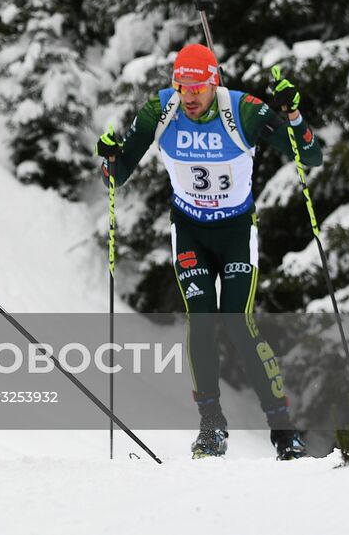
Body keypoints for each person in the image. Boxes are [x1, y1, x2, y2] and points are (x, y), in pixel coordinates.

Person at [95, 43, 323, 460]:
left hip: (236, 231)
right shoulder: (160, 112)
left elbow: (310, 154)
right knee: (200, 321)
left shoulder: (245, 112)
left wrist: (293, 115)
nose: (190, 96)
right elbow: (119, 172)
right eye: (182, 86)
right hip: (190, 232)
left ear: (213, 82)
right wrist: (109, 157)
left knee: (238, 322)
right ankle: (211, 427)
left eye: (198, 86)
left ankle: (283, 430)